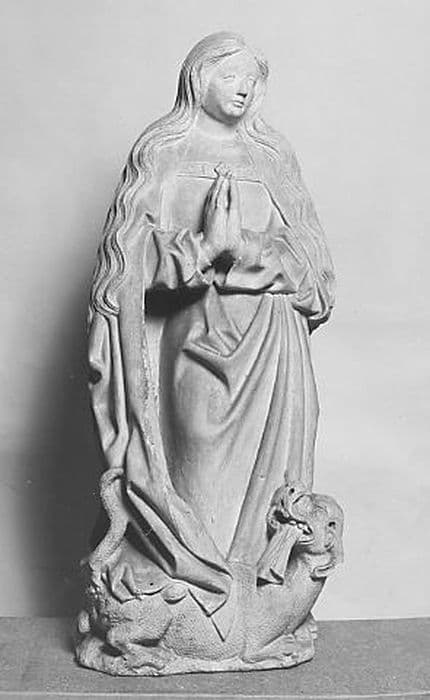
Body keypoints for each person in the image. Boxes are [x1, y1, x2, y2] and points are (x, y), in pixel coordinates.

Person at [87, 32, 335, 629]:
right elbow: (124, 267)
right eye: (231, 75)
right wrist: (201, 248)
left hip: (272, 344)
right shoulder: (163, 150)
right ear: (199, 78)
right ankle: (196, 598)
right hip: (197, 335)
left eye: (253, 79)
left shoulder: (272, 157)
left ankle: (251, 610)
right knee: (193, 468)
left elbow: (315, 272)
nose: (244, 89)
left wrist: (243, 249)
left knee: (269, 492)